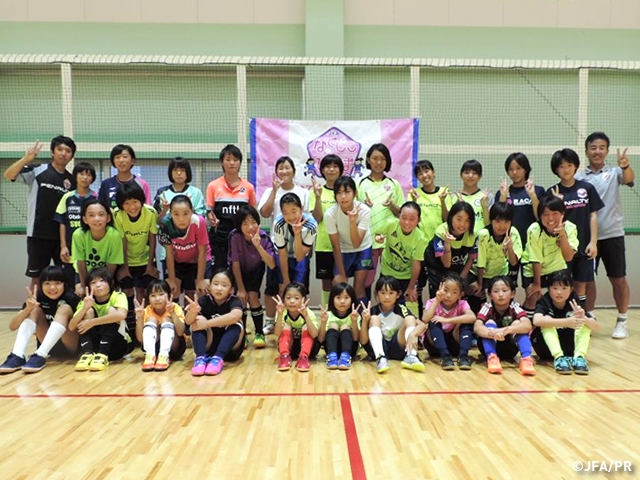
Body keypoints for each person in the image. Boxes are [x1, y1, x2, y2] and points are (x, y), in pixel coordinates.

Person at [576, 132, 635, 338]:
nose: (597, 151)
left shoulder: (616, 172)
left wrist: (625, 165)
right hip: (588, 238)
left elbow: (629, 180)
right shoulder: (579, 177)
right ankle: (590, 317)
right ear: (586, 151)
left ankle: (622, 320)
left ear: (607, 151)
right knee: (587, 280)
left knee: (618, 279)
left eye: (601, 147)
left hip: (613, 235)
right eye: (593, 148)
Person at [4, 137, 76, 287]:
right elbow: (9, 175)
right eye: (60, 149)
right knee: (37, 277)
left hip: (62, 239)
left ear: (72, 156)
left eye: (68, 151)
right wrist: (26, 159)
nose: (63, 153)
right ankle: (34, 308)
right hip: (38, 234)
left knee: (64, 277)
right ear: (52, 152)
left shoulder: (72, 181)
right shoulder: (37, 170)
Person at [547, 148, 604, 311]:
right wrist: (557, 202)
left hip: (584, 246)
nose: (566, 169)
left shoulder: (587, 188)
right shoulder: (553, 192)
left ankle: (580, 318)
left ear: (576, 166)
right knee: (560, 284)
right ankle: (559, 318)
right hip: (562, 247)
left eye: (569, 165)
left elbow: (593, 216)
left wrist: (593, 242)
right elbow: (547, 220)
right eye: (561, 166)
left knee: (581, 285)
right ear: (556, 169)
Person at [258, 156, 309, 334]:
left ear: (293, 170)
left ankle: (300, 320)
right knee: (274, 285)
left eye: (287, 168)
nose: (284, 171)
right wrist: (274, 191)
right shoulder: (270, 191)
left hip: (299, 243)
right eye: (280, 168)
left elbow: (308, 218)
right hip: (277, 244)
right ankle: (271, 321)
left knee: (299, 285)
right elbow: (264, 213)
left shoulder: (303, 192)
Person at [0, 266, 80, 374]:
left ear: (64, 284)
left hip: (71, 346)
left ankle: (40, 355)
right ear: (41, 285)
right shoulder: (37, 298)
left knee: (64, 308)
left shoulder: (72, 298)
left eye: (57, 283)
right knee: (34, 310)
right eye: (47, 283)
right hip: (49, 348)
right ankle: (17, 355)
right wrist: (27, 309)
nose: (52, 287)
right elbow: (12, 326)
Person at [531, 270, 600, 375]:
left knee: (583, 322)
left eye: (564, 288)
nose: (559, 292)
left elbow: (597, 327)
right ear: (548, 289)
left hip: (569, 349)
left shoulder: (574, 301)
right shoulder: (545, 301)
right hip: (545, 348)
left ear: (571, 289)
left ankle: (579, 358)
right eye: (555, 288)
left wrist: (584, 318)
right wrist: (565, 322)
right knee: (547, 322)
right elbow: (536, 320)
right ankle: (559, 358)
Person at [357, 144, 403, 296]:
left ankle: (388, 316)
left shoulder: (394, 184)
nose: (379, 162)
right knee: (365, 281)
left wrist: (392, 206)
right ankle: (365, 313)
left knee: (389, 282)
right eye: (375, 158)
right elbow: (352, 213)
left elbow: (401, 214)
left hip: (390, 241)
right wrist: (362, 206)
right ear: (369, 160)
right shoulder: (360, 184)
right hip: (367, 241)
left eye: (383, 159)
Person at [114, 183, 159, 340]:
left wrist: (150, 265)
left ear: (141, 200)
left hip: (144, 259)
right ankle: (131, 331)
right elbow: (123, 241)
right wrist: (125, 267)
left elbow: (152, 238)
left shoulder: (150, 212)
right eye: (126, 203)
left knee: (143, 293)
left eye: (134, 202)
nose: (131, 206)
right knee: (127, 293)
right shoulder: (117, 215)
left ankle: (147, 330)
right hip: (126, 260)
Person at [521, 195, 579, 316]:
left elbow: (568, 257)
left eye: (555, 213)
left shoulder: (570, 227)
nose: (550, 218)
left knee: (560, 296)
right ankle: (527, 328)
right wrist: (537, 284)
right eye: (545, 214)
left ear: (562, 214)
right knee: (533, 296)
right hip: (533, 269)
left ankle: (557, 326)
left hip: (557, 267)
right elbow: (536, 259)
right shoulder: (534, 229)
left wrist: (563, 235)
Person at [228, 205, 276, 348]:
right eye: (245, 223)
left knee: (253, 296)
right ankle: (240, 334)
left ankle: (259, 333)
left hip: (256, 269)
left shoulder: (264, 237)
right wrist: (241, 288)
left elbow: (272, 264)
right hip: (238, 270)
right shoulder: (234, 236)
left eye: (253, 222)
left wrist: (258, 246)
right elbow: (234, 262)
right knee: (241, 298)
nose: (250, 227)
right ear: (239, 226)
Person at [70, 267, 133, 372]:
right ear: (88, 287)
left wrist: (91, 322)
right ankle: (87, 353)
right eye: (93, 282)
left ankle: (103, 354)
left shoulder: (118, 295)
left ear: (110, 283)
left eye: (102, 281)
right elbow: (72, 326)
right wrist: (84, 307)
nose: (98, 285)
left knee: (112, 311)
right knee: (88, 311)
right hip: (95, 347)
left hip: (118, 345)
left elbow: (121, 315)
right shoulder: (87, 301)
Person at [359, 276, 424, 374]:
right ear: (377, 294)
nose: (387, 297)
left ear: (398, 295)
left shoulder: (402, 309)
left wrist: (413, 334)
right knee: (374, 318)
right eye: (383, 293)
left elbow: (422, 325)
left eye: (391, 293)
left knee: (410, 319)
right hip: (377, 349)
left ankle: (411, 356)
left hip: (398, 347)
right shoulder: (372, 311)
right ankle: (381, 358)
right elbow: (363, 341)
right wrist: (365, 321)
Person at [497, 152, 545, 286]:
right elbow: (498, 218)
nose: (515, 172)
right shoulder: (503, 193)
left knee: (531, 287)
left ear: (526, 169)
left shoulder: (539, 190)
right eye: (511, 169)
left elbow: (540, 217)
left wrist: (532, 195)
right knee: (506, 286)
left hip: (531, 245)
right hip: (509, 245)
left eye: (518, 168)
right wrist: (503, 197)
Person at [206, 144, 256, 270]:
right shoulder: (213, 186)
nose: (232, 163)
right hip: (220, 238)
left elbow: (253, 214)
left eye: (235, 160)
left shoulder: (249, 187)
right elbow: (209, 211)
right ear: (222, 163)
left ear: (240, 162)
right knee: (220, 274)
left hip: (242, 239)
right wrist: (211, 218)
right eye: (228, 160)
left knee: (240, 274)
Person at [187, 269, 246, 376]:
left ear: (231, 289)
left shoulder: (234, 301)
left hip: (230, 350)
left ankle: (218, 359)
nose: (219, 288)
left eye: (224, 285)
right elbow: (188, 321)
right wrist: (192, 312)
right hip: (209, 346)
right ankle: (200, 358)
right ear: (210, 286)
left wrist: (207, 324)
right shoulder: (204, 300)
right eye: (215, 284)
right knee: (198, 320)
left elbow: (235, 316)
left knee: (237, 324)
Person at [325, 176, 373, 305]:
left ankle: (362, 321)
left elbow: (357, 243)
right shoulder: (330, 214)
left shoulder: (364, 211)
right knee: (338, 284)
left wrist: (352, 221)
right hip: (343, 249)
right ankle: (338, 320)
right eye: (339, 193)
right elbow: (335, 247)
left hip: (363, 248)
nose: (343, 197)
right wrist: (341, 273)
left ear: (355, 193)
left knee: (358, 289)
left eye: (347, 192)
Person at [467, 202, 522, 313]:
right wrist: (480, 283)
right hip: (479, 273)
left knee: (501, 304)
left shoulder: (513, 233)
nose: (501, 226)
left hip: (500, 273)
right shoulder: (484, 234)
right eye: (497, 221)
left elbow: (514, 262)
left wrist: (510, 247)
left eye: (506, 222)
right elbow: (481, 261)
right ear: (491, 220)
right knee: (477, 304)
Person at [474, 276, 535, 376]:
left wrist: (507, 330)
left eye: (504, 290)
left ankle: (526, 359)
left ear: (512, 293)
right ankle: (492, 358)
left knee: (517, 324)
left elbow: (527, 325)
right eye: (496, 291)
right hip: (488, 347)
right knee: (489, 322)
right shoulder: (487, 307)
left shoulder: (515, 306)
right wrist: (492, 333)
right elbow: (477, 327)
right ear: (489, 294)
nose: (500, 294)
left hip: (509, 349)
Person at [373, 201, 426, 315]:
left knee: (404, 306)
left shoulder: (420, 238)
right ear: (399, 216)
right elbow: (376, 233)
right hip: (387, 273)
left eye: (412, 219)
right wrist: (379, 238)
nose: (407, 222)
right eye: (404, 217)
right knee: (386, 302)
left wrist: (411, 287)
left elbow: (416, 264)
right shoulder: (391, 224)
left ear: (418, 220)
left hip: (405, 277)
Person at [158, 195, 212, 300]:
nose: (181, 219)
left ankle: (195, 315)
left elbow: (202, 252)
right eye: (176, 214)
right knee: (173, 291)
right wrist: (172, 279)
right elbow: (169, 253)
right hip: (178, 260)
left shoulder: (199, 222)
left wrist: (200, 279)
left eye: (186, 213)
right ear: (170, 213)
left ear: (192, 211)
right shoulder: (165, 224)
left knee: (201, 291)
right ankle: (175, 315)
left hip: (198, 260)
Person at [309, 154, 344, 315]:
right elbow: (317, 218)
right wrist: (317, 197)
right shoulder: (316, 191)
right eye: (328, 166)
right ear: (322, 170)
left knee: (341, 282)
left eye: (335, 166)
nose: (331, 169)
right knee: (327, 284)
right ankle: (326, 315)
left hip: (344, 245)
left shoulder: (346, 191)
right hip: (323, 244)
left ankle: (341, 315)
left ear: (340, 169)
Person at [54, 161, 98, 289]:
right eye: (81, 174)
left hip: (90, 249)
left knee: (88, 284)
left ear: (92, 178)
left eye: (88, 175)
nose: (85, 177)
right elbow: (62, 222)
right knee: (71, 285)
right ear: (75, 176)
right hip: (70, 249)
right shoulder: (67, 197)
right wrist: (63, 246)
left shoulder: (96, 197)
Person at [419, 273, 475, 371]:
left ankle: (463, 356)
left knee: (466, 323)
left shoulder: (462, 304)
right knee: (433, 321)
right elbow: (425, 319)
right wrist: (437, 300)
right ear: (440, 288)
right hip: (435, 346)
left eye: (454, 292)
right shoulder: (432, 302)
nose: (448, 295)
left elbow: (472, 317)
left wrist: (447, 320)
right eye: (445, 290)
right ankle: (445, 357)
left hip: (454, 344)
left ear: (460, 295)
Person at [422, 201, 477, 298]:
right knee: (441, 296)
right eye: (459, 219)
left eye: (467, 220)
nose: (462, 224)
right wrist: (447, 243)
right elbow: (446, 264)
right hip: (437, 267)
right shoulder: (441, 232)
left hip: (456, 266)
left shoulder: (473, 234)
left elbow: (470, 259)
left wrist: (460, 281)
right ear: (451, 217)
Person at [71, 198, 124, 295]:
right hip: (84, 273)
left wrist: (106, 284)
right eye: (91, 215)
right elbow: (81, 262)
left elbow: (112, 264)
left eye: (101, 214)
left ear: (108, 218)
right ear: (85, 219)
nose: (97, 219)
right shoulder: (78, 235)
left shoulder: (115, 235)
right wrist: (84, 286)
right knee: (80, 292)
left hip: (106, 275)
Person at [135, 279, 186, 372]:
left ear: (169, 295)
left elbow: (180, 332)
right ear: (148, 298)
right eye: (153, 295)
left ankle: (164, 355)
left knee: (166, 319)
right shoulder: (146, 310)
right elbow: (140, 339)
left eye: (161, 294)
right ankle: (150, 355)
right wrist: (140, 318)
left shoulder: (175, 307)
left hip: (174, 348)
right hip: (154, 347)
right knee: (151, 319)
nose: (157, 298)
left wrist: (173, 313)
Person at [272, 193, 317, 292]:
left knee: (299, 289)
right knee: (283, 289)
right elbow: (282, 254)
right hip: (282, 255)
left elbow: (300, 256)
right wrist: (286, 280)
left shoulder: (311, 225)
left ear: (301, 209)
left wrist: (297, 234)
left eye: (294, 211)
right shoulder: (278, 224)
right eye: (286, 213)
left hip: (299, 256)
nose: (291, 217)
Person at [273, 283, 320, 372]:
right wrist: (279, 314)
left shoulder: (308, 312)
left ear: (303, 299)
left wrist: (306, 316)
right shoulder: (282, 312)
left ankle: (303, 357)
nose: (292, 301)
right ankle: (285, 356)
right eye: (288, 298)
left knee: (306, 326)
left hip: (309, 350)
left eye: (296, 298)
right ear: (283, 300)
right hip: (290, 348)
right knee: (286, 325)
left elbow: (314, 334)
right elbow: (277, 333)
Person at [318, 283, 360, 370]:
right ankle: (332, 358)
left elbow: (356, 338)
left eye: (346, 298)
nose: (342, 301)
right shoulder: (328, 315)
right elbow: (321, 339)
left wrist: (354, 321)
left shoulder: (355, 315)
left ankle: (345, 357)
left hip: (350, 349)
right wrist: (323, 322)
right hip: (331, 349)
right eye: (338, 297)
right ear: (332, 299)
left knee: (345, 326)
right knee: (333, 325)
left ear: (352, 300)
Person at [98, 144, 151, 210]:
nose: (121, 160)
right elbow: (101, 208)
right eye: (117, 157)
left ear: (132, 161)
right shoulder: (106, 184)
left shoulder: (142, 184)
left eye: (125, 157)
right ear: (113, 161)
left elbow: (147, 209)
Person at [154, 156, 206, 222]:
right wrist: (164, 210)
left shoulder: (196, 192)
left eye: (182, 170)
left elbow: (201, 219)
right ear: (170, 173)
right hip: (167, 231)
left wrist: (189, 207)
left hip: (191, 231)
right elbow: (155, 221)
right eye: (175, 170)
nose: (178, 173)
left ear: (187, 172)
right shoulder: (162, 192)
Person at [458, 159, 492, 235]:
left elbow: (489, 224)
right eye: (467, 173)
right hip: (460, 242)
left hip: (482, 242)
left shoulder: (487, 197)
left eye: (474, 173)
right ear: (461, 175)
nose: (470, 176)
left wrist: (485, 208)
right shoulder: (454, 197)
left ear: (480, 176)